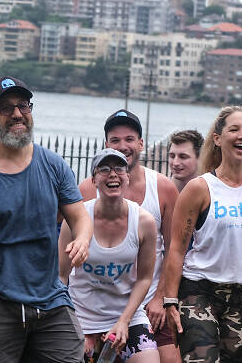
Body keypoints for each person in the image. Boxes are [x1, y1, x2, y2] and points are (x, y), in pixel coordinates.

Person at [0, 76, 93, 363]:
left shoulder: (52, 164)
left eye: (23, 105)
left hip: (51, 300)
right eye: (5, 108)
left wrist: (83, 239)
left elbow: (80, 217)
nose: (16, 114)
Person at [162, 106, 242, 362]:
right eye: (234, 129)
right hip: (199, 292)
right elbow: (177, 248)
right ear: (218, 139)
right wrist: (169, 301)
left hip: (239, 296)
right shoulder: (199, 188)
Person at [79, 109, 180, 363]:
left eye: (129, 139)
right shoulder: (86, 191)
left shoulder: (163, 188)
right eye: (115, 140)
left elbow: (174, 249)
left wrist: (161, 298)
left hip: (147, 304)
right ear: (106, 145)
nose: (123, 146)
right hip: (93, 306)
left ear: (141, 143)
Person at [60, 148, 160, 363]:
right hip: (81, 316)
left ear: (127, 178)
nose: (112, 174)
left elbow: (144, 278)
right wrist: (69, 322)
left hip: (127, 315)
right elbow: (60, 276)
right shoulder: (76, 219)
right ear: (94, 179)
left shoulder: (144, 221)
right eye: (104, 169)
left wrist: (124, 321)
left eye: (119, 169)